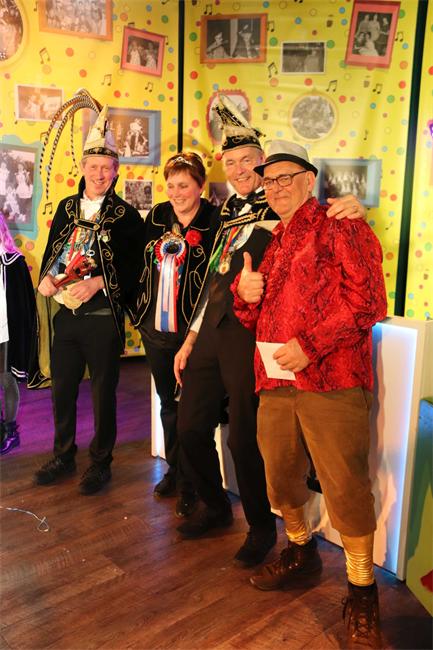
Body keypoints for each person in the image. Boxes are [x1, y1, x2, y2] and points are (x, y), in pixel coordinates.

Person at [173, 95, 367, 569]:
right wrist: (192, 337)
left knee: (246, 438)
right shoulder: (226, 211)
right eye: (231, 162)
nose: (240, 170)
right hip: (216, 327)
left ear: (264, 165)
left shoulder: (286, 207)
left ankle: (262, 528)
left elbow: (327, 234)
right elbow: (217, 278)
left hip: (254, 339)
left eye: (248, 161)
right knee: (190, 427)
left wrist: (353, 208)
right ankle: (216, 506)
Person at [232, 140, 387, 648]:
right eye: (268, 180)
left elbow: (369, 302)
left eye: (285, 177)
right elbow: (254, 316)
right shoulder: (273, 240)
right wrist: (244, 296)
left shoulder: (342, 224)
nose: (275, 187)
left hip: (332, 381)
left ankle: (362, 594)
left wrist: (311, 345)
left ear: (308, 180)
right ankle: (301, 553)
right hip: (275, 382)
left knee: (346, 489)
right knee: (279, 479)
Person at [32, 94, 145, 495]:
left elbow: (136, 268)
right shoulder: (66, 208)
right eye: (93, 166)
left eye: (106, 167)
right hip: (66, 316)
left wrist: (98, 283)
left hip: (101, 319)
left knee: (102, 394)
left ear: (116, 171)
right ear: (82, 167)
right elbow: (55, 251)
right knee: (62, 389)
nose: (99, 174)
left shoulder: (126, 216)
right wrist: (47, 278)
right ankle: (63, 455)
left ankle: (100, 462)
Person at [134, 152, 219, 517]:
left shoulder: (215, 221)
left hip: (194, 334)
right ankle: (175, 469)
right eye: (171, 186)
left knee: (193, 412)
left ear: (200, 186)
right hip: (156, 331)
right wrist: (138, 310)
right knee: (168, 403)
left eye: (184, 185)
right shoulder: (157, 217)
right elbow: (139, 264)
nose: (176, 193)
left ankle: (193, 482)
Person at [0, 212, 35, 454]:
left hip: (6, 333)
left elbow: (25, 305)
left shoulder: (14, 262)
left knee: (6, 380)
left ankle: (11, 431)